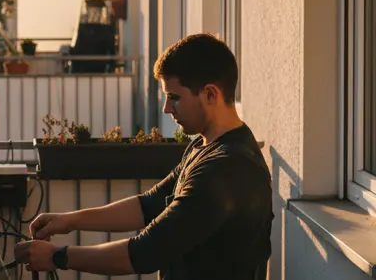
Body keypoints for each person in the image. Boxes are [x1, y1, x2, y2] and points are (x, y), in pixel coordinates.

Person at [14, 33, 274, 279]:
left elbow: (145, 252)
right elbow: (148, 205)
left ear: (210, 94)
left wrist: (58, 257)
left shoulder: (227, 169)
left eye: (174, 98)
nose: (166, 108)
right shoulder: (204, 148)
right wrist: (71, 220)